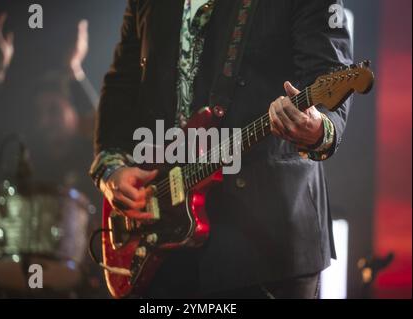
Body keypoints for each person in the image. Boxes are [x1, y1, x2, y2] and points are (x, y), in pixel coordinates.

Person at [90, 0, 353, 299]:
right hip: (164, 237)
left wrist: (319, 128)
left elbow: (330, 75)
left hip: (264, 244)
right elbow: (121, 83)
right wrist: (111, 167)